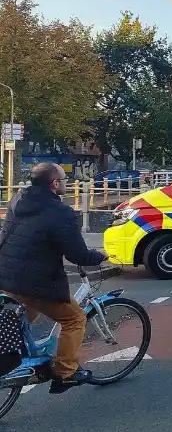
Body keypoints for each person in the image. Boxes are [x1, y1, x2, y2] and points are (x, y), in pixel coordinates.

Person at [0, 163, 107, 393]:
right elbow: (76, 253)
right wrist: (99, 256)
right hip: (35, 282)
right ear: (54, 184)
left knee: (21, 319)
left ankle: (15, 356)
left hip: (6, 276)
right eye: (64, 179)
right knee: (75, 318)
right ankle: (66, 372)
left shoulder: (18, 200)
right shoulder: (60, 211)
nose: (67, 182)